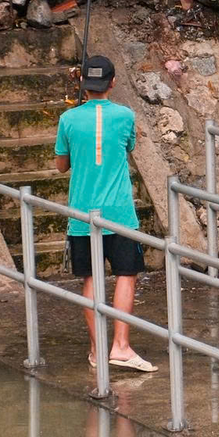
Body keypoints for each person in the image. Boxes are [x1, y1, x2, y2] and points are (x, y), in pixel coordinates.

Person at [55, 55, 156, 373]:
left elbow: (61, 165)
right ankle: (121, 347)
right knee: (126, 275)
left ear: (83, 84)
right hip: (119, 213)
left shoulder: (68, 119)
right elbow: (128, 148)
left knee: (91, 278)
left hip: (83, 214)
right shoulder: (125, 116)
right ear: (112, 83)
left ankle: (98, 351)